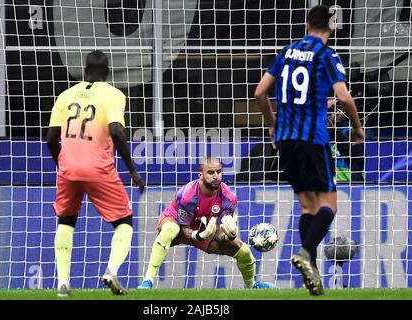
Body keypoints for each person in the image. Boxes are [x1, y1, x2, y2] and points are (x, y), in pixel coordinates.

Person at [254, 5, 364, 295]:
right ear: (332, 28)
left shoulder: (287, 52)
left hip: (286, 140)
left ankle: (311, 273)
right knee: (329, 204)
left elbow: (259, 92)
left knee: (307, 207)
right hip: (313, 140)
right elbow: (345, 98)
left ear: (306, 24)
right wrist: (357, 126)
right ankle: (306, 253)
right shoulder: (327, 56)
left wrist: (272, 125)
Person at [46, 50, 145, 297]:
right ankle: (111, 271)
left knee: (66, 220)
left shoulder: (66, 95)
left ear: (84, 70)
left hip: (67, 167)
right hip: (98, 167)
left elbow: (50, 138)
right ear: (108, 71)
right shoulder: (114, 95)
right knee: (124, 222)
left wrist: (62, 163)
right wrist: (132, 169)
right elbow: (116, 130)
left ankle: (63, 283)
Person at [137, 156, 275, 290]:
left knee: (243, 250)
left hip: (205, 228)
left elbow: (219, 233)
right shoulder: (187, 196)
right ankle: (147, 281)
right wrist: (198, 236)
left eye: (219, 172)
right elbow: (184, 228)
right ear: (200, 175)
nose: (216, 176)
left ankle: (251, 286)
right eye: (210, 172)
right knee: (170, 230)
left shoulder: (229, 198)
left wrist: (229, 235)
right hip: (178, 223)